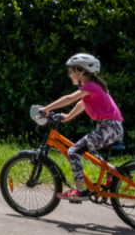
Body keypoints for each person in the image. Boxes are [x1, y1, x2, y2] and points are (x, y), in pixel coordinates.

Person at [38, 53, 124, 202]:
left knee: (73, 151)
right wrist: (68, 117)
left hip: (108, 127)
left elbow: (69, 98)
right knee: (84, 150)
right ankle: (112, 171)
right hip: (111, 127)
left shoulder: (91, 86)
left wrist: (47, 109)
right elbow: (81, 104)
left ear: (81, 72)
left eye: (72, 71)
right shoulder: (92, 87)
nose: (70, 74)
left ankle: (80, 191)